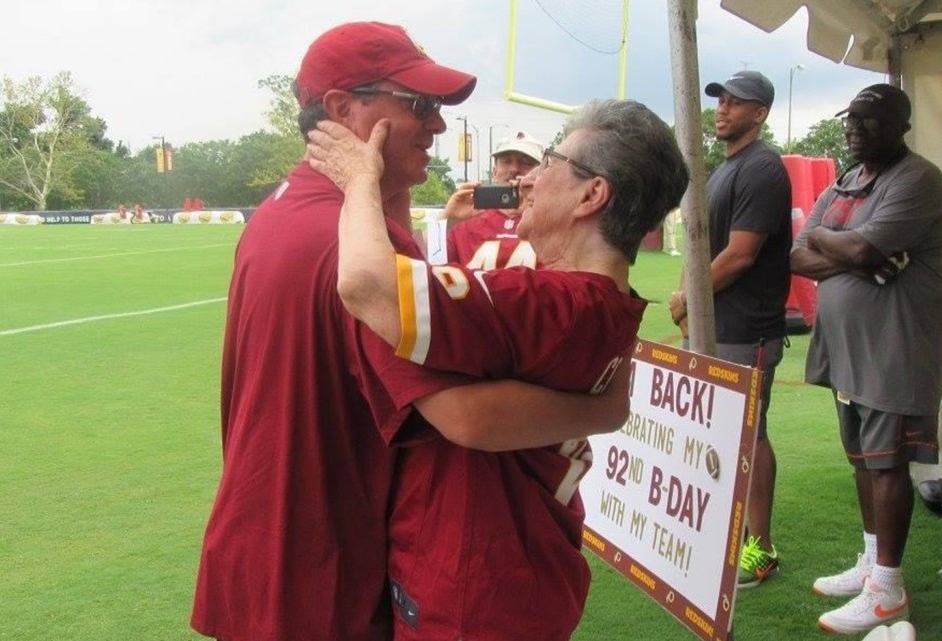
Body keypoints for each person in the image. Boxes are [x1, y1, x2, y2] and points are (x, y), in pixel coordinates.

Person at [190, 22, 628, 641]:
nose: (439, 125)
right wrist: (607, 408)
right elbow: (468, 420)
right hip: (322, 571)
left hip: (262, 541)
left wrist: (377, 183)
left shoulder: (283, 210)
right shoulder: (356, 248)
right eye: (419, 105)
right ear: (344, 110)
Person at [306, 98, 689, 641]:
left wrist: (361, 179)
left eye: (550, 162)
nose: (528, 180)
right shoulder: (608, 303)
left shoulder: (544, 302)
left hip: (476, 579)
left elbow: (367, 287)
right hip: (523, 565)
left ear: (592, 195)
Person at [791, 83, 942, 635]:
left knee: (887, 465)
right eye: (851, 120)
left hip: (895, 348)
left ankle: (887, 589)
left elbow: (857, 246)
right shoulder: (847, 180)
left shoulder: (917, 179)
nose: (856, 130)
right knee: (863, 458)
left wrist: (841, 244)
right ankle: (871, 563)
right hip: (846, 349)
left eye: (870, 121)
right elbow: (800, 250)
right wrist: (857, 256)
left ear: (902, 126)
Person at [667, 69, 792, 589]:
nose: (722, 108)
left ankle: (758, 552)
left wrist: (686, 298)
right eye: (720, 99)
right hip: (715, 325)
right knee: (717, 437)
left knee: (750, 438)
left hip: (747, 329)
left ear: (759, 113)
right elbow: (700, 245)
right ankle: (725, 537)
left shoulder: (763, 168)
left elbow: (739, 257)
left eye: (736, 102)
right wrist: (685, 304)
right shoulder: (722, 169)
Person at [440, 130, 543, 269]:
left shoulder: (554, 223)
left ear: (541, 174)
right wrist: (445, 221)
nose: (514, 169)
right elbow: (429, 264)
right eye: (506, 162)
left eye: (526, 163)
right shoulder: (467, 220)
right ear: (494, 172)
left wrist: (536, 211)